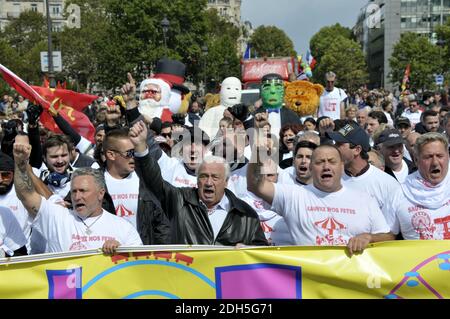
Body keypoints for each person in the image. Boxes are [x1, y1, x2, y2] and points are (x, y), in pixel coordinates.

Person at [129, 121, 268, 246]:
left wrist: (248, 251)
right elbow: (152, 181)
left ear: (226, 182)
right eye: (203, 176)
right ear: (196, 179)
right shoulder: (180, 201)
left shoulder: (245, 214)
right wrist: (141, 146)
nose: (208, 182)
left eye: (215, 177)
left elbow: (263, 257)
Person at [247, 144, 394, 253]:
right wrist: (258, 150)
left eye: (332, 161)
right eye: (319, 162)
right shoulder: (294, 196)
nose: (326, 167)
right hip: (309, 286)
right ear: (311, 168)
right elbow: (255, 185)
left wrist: (369, 238)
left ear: (342, 167)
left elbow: (389, 237)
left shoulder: (365, 200)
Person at [13, 137, 142, 253]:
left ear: (101, 193)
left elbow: (138, 265)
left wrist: (122, 250)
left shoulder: (123, 228)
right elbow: (25, 195)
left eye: (83, 191)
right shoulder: (56, 217)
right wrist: (20, 163)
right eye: (74, 191)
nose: (77, 196)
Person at [103, 129, 170, 244]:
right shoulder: (94, 182)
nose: (134, 157)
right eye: (129, 153)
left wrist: (160, 255)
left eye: (135, 152)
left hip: (142, 257)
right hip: (107, 256)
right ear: (111, 155)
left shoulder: (145, 181)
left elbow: (162, 225)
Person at [327, 123, 402, 220]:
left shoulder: (388, 184)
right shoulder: (332, 179)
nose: (334, 148)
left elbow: (391, 229)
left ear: (357, 150)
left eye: (339, 144)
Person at [388, 133, 450, 240]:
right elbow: (388, 234)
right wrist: (369, 238)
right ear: (416, 160)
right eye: (428, 157)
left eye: (440, 156)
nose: (435, 162)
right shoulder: (400, 193)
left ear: (448, 157)